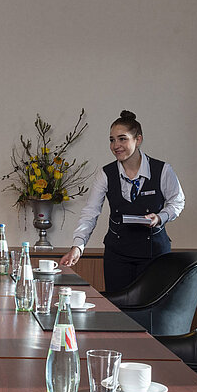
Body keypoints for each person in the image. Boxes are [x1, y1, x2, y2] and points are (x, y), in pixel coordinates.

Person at [58, 109, 186, 293]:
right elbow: (90, 212)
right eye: (112, 140)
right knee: (119, 313)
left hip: (155, 254)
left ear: (138, 140)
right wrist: (78, 246)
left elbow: (177, 201)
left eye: (122, 138)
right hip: (118, 256)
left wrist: (160, 217)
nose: (116, 145)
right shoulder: (105, 174)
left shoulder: (163, 170)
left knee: (151, 315)